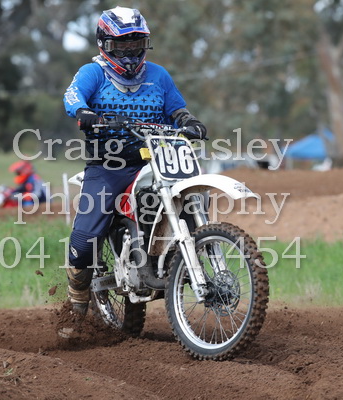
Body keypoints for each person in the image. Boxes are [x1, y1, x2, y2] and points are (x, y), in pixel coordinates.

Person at [61, 6, 207, 320]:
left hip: (157, 159)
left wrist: (190, 122)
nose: (129, 53)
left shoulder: (158, 75)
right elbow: (72, 96)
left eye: (136, 44)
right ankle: (77, 304)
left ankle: (185, 253)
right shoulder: (93, 73)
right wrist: (84, 113)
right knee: (85, 240)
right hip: (109, 165)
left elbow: (177, 109)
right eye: (121, 45)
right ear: (105, 44)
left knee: (192, 193)